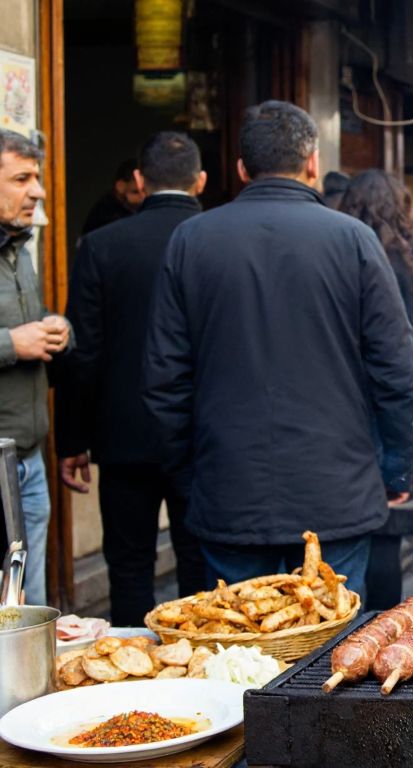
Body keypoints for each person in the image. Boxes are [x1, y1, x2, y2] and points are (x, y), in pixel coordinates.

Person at [144, 101, 413, 601]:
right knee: (330, 654)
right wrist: (396, 465)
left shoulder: (192, 240)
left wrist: (190, 474)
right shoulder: (353, 239)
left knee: (240, 652)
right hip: (336, 488)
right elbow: (399, 371)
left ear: (241, 168)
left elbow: (164, 379)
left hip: (229, 486)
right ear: (312, 162)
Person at [56, 131, 209, 625]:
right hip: (201, 433)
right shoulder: (217, 240)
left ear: (139, 181)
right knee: (201, 569)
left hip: (123, 433)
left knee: (128, 567)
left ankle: (128, 674)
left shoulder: (101, 245)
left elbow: (83, 352)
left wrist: (72, 439)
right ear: (200, 181)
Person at [340, 171, 413, 610]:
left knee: (350, 531)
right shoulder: (412, 259)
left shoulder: (342, 250)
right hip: (399, 402)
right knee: (387, 528)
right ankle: (380, 623)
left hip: (350, 405)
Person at [0, 130, 70, 604]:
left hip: (27, 460)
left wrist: (57, 326)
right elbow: (13, 338)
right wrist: (10, 344)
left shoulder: (19, 248)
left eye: (38, 178)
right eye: (22, 178)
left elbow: (28, 323)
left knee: (28, 607)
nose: (39, 191)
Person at [81, 159, 144, 236]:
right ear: (120, 186)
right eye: (135, 192)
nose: (142, 197)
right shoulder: (105, 213)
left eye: (145, 192)